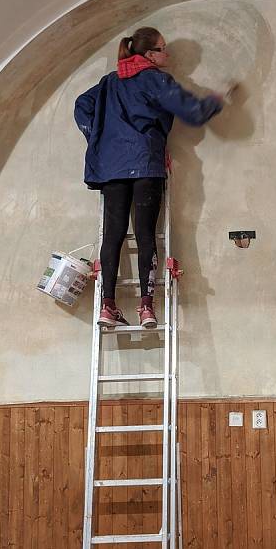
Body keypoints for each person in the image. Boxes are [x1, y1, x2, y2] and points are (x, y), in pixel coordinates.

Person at [74, 26, 224, 328]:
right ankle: (146, 308)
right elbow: (191, 111)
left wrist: (99, 138)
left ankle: (107, 306)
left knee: (113, 233)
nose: (167, 54)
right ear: (149, 54)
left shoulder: (108, 83)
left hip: (112, 167)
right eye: (163, 48)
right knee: (145, 234)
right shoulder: (156, 80)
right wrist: (216, 102)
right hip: (144, 162)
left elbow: (81, 106)